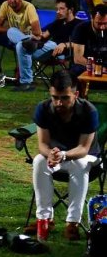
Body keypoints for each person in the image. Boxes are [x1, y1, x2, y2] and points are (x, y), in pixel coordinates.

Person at [30, 72, 100, 243]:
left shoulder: (88, 111)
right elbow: (42, 144)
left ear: (76, 94)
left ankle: (72, 223)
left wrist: (63, 155)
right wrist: (51, 155)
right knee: (39, 160)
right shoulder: (43, 108)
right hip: (56, 156)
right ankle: (44, 219)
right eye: (55, 97)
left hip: (87, 157)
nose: (59, 103)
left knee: (79, 163)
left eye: (64, 98)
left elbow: (84, 148)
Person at [0, 0, 43, 91]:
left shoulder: (29, 7)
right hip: (12, 37)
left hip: (27, 41)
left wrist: (19, 33)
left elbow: (37, 32)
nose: (12, 0)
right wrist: (11, 31)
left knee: (20, 44)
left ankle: (22, 74)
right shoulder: (5, 5)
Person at [71, 3, 107, 76]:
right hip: (86, 64)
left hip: (105, 64)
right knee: (76, 70)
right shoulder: (81, 29)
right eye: (99, 24)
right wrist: (98, 68)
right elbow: (78, 58)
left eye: (105, 23)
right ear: (92, 18)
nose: (102, 27)